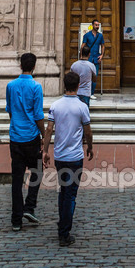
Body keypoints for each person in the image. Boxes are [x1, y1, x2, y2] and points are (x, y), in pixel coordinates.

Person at [42, 70, 93, 247]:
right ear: (78, 86)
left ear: (64, 85)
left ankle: (62, 221)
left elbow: (49, 129)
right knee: (70, 195)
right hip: (75, 157)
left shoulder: (55, 105)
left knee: (63, 191)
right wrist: (91, 147)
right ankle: (64, 231)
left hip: (60, 156)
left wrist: (45, 150)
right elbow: (88, 131)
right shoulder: (82, 107)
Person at [6, 52, 45, 231]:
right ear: (34, 66)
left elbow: (10, 110)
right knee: (37, 171)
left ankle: (16, 220)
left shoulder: (10, 86)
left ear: (20, 65)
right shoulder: (36, 87)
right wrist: (44, 135)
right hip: (31, 137)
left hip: (15, 137)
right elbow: (38, 115)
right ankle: (29, 206)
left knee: (17, 179)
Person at [82, 20, 104, 98]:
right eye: (96, 25)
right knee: (86, 75)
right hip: (88, 58)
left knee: (95, 76)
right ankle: (86, 92)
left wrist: (101, 55)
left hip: (96, 58)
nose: (97, 26)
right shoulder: (87, 35)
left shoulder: (100, 36)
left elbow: (103, 45)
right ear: (92, 25)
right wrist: (82, 56)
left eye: (98, 25)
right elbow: (83, 46)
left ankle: (92, 93)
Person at [71, 43, 97, 109]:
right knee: (84, 112)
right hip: (86, 92)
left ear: (81, 53)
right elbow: (94, 80)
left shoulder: (74, 65)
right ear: (89, 54)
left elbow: (71, 78)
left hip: (75, 92)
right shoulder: (91, 66)